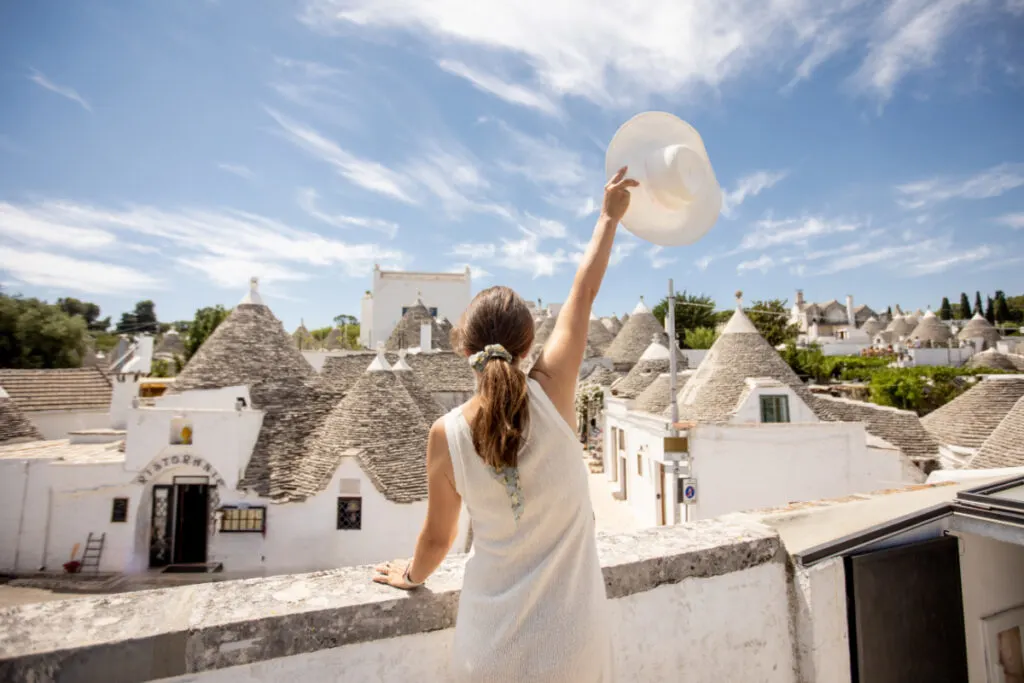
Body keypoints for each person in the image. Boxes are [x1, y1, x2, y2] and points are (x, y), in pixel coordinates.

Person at [372, 167, 639, 681]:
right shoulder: (554, 392)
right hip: (574, 647)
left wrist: (410, 575)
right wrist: (608, 217)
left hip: (487, 651)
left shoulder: (444, 434)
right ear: (527, 345)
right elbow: (582, 295)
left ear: (463, 349)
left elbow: (436, 540)